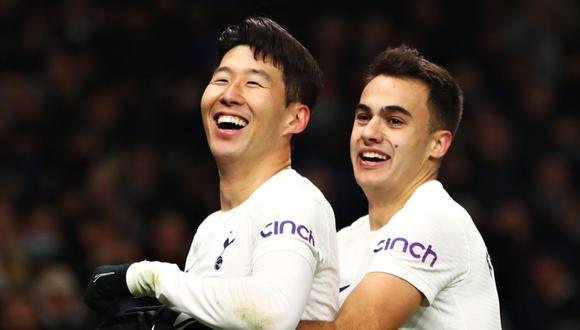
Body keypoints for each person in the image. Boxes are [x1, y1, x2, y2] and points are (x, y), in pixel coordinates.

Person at [84, 16, 339, 330]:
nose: (229, 94)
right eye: (221, 79)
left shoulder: (294, 198)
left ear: (295, 119)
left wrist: (144, 277)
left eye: (253, 83)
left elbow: (273, 312)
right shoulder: (211, 228)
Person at [299, 45, 501, 329]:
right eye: (364, 117)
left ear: (438, 144)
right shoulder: (342, 243)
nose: (369, 133)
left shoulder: (435, 216)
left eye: (394, 121)